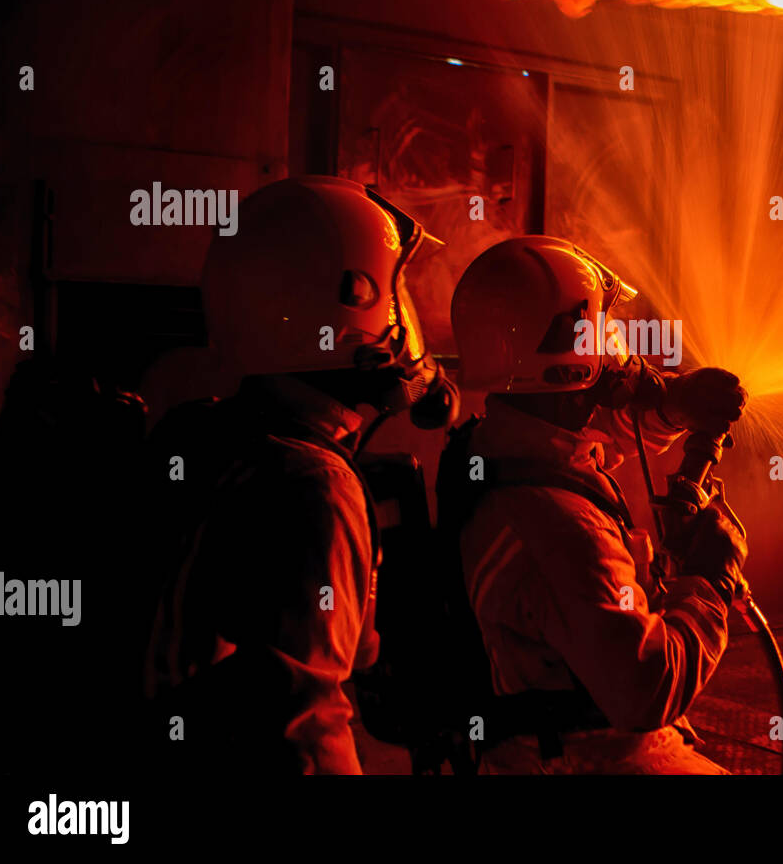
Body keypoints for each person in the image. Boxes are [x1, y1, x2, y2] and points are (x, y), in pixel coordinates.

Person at [143, 176, 456, 774]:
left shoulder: (200, 433)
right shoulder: (314, 486)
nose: (400, 322)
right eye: (393, 296)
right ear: (352, 302)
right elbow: (304, 735)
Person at [445, 235, 748, 773]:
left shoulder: (495, 447)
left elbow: (589, 427)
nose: (618, 357)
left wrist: (671, 406)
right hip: (596, 757)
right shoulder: (565, 528)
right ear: (573, 357)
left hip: (532, 746)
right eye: (603, 335)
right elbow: (644, 690)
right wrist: (710, 582)